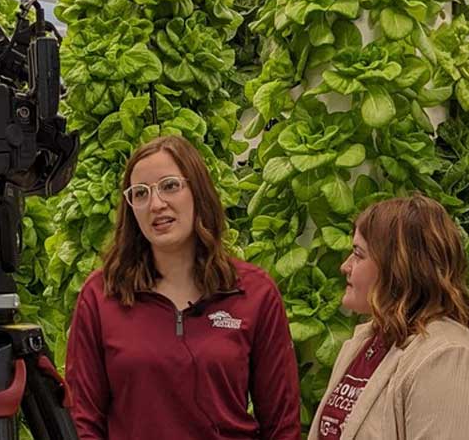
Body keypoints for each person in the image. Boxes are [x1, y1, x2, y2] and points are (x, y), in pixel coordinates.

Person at [66, 135, 301, 440]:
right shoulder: (102, 295)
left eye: (170, 186)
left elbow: (282, 424)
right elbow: (83, 420)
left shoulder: (254, 293)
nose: (156, 204)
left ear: (197, 192)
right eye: (140, 193)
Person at [310, 194, 469, 440]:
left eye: (358, 254)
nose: (345, 266)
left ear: (397, 266)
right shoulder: (366, 342)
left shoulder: (451, 358)